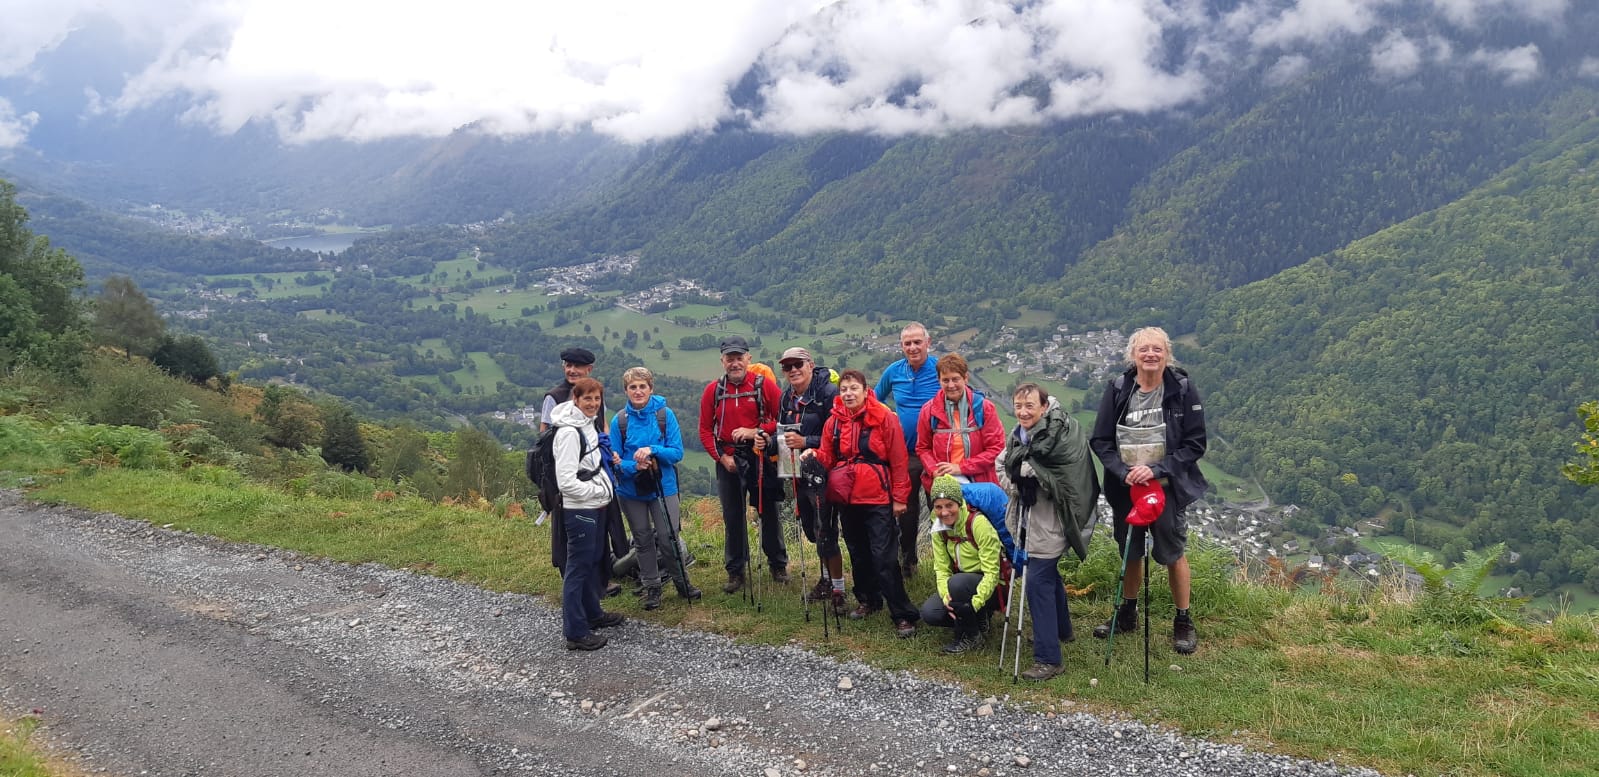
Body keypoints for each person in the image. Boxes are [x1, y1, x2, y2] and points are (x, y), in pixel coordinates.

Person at [1088, 327, 1208, 655]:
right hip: (1126, 487)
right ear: (1133, 355)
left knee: (1172, 552)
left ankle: (1183, 620)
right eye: (1144, 350)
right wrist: (1123, 472)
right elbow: (1100, 440)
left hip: (1167, 488)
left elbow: (1195, 444)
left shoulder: (1182, 390)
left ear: (1167, 355)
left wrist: (1156, 470)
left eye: (1157, 349)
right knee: (1131, 551)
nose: (1150, 355)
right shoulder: (1118, 389)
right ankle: (1127, 613)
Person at [1001, 382, 1100, 680]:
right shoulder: (1020, 436)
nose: (1023, 411)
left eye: (1030, 406)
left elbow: (1066, 473)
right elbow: (1003, 465)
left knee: (1037, 581)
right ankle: (1061, 630)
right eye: (1018, 406)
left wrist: (1035, 478)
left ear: (1044, 407)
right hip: (1034, 520)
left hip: (1051, 522)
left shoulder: (1060, 435)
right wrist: (1018, 485)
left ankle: (1048, 658)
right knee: (1048, 574)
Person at [813, 369, 918, 638]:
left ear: (865, 390)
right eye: (844, 389)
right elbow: (828, 455)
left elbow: (898, 460)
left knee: (883, 556)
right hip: (847, 498)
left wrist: (899, 498)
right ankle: (868, 600)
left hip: (878, 498)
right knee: (857, 552)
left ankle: (902, 613)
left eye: (853, 388)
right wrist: (812, 455)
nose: (848, 393)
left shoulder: (883, 417)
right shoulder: (833, 422)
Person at [698, 334, 787, 594]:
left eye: (739, 358)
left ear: (748, 358)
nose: (735, 363)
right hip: (728, 459)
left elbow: (783, 418)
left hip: (759, 456)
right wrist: (722, 458)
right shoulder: (713, 391)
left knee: (768, 512)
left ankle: (778, 564)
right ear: (722, 361)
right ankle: (735, 571)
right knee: (733, 516)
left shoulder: (763, 385)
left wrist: (754, 431)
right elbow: (705, 429)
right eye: (730, 359)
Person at [610, 366, 701, 609]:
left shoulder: (664, 415)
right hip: (631, 490)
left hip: (664, 486)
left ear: (651, 388)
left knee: (668, 536)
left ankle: (683, 582)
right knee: (642, 539)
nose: (638, 391)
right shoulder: (619, 420)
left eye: (642, 386)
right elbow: (615, 461)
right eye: (633, 387)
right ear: (626, 391)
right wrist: (633, 467)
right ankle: (652, 587)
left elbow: (677, 453)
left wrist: (653, 450)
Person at [541, 347, 627, 596]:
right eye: (567, 365)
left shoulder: (594, 393)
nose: (571, 370)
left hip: (598, 472)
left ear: (589, 369)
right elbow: (545, 437)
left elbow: (603, 425)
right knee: (570, 533)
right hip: (570, 478)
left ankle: (602, 578)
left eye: (577, 366)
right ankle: (575, 580)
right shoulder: (554, 397)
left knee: (603, 527)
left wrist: (610, 452)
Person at [550, 377, 625, 650]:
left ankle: (592, 614)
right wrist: (597, 494)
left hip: (595, 507)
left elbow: (591, 463)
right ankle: (575, 632)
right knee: (578, 568)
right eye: (587, 399)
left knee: (592, 562)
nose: (593, 404)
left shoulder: (587, 424)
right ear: (575, 400)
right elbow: (566, 481)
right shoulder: (569, 433)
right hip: (581, 510)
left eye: (597, 399)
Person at [777, 347, 846, 616]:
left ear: (811, 365)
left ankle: (838, 589)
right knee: (812, 530)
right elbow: (783, 434)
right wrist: (767, 440)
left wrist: (808, 442)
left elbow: (839, 434)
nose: (793, 370)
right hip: (799, 474)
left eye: (798, 364)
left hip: (825, 473)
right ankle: (826, 579)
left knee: (825, 531)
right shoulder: (787, 398)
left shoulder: (828, 393)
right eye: (787, 366)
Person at [874, 322, 941, 577]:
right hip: (905, 454)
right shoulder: (894, 371)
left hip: (937, 454)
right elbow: (873, 398)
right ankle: (908, 561)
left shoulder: (939, 369)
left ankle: (946, 563)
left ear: (928, 342)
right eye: (907, 343)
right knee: (907, 511)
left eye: (917, 342)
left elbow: (963, 395)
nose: (912, 347)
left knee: (942, 506)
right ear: (901, 346)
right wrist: (887, 418)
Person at [922, 474, 1002, 654]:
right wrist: (946, 598)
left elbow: (992, 572)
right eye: (938, 507)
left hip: (992, 587)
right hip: (960, 586)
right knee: (930, 613)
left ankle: (971, 636)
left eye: (949, 505)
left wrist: (974, 604)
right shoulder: (938, 527)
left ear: (959, 503)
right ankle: (978, 620)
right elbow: (941, 568)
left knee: (957, 583)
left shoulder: (978, 523)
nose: (944, 512)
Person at [915, 353, 1004, 490]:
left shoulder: (984, 408)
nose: (951, 385)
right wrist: (933, 470)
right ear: (939, 380)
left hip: (980, 484)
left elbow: (996, 448)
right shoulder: (929, 411)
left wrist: (961, 468)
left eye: (955, 379)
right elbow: (923, 447)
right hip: (943, 485)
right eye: (945, 380)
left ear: (965, 378)